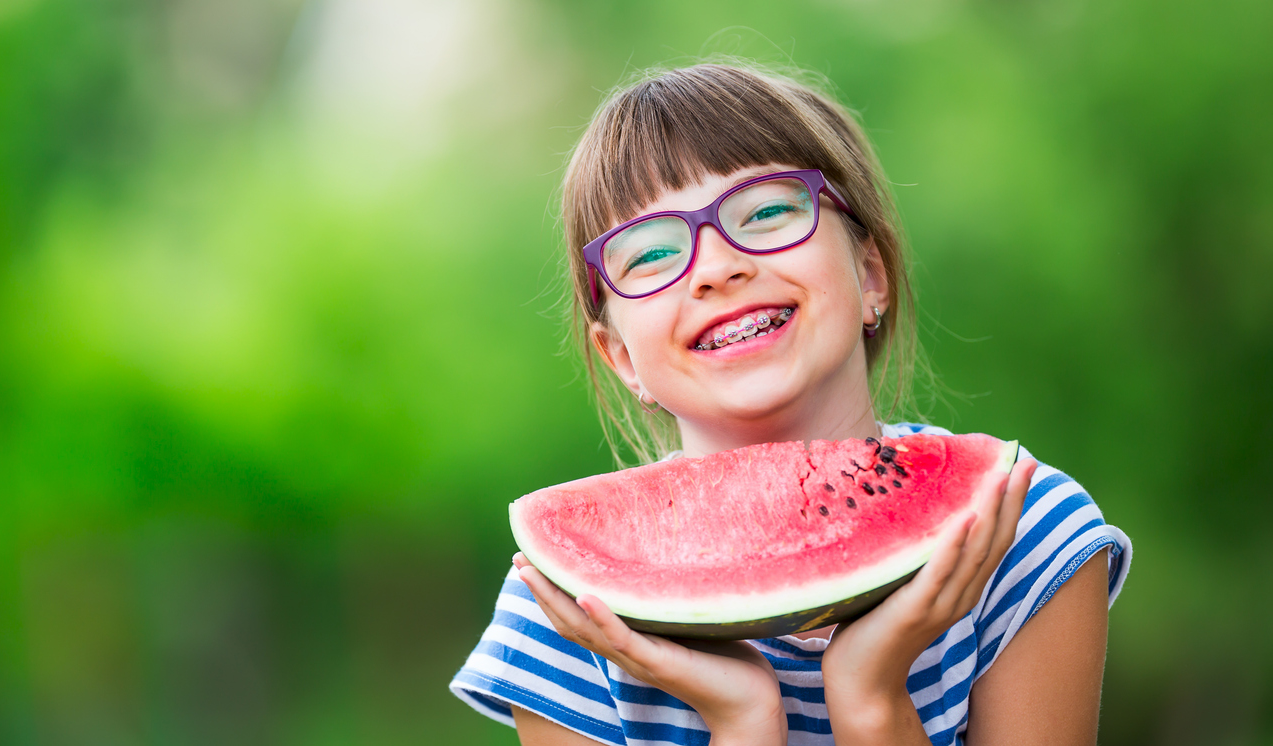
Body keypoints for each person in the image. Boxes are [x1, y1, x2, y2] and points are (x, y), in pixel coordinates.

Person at [449, 62, 1132, 746]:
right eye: (650, 253)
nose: (716, 268)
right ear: (623, 359)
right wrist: (743, 724)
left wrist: (870, 700)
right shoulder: (569, 610)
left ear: (870, 275)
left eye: (768, 211)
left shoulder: (1021, 534)